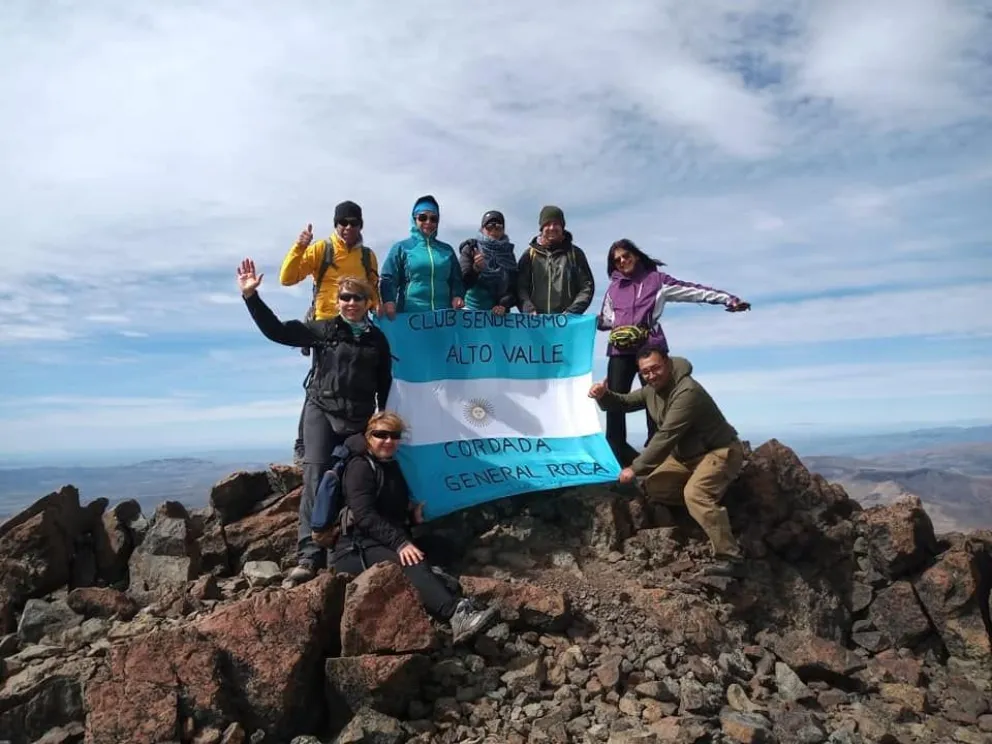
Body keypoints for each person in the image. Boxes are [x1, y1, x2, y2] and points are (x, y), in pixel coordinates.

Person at [236, 259, 392, 584]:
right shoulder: (323, 330)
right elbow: (277, 331)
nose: (351, 303)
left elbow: (384, 384)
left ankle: (348, 548)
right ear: (338, 302)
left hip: (358, 419)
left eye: (357, 298)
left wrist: (381, 422)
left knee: (358, 477)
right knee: (316, 476)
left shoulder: (377, 340)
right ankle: (309, 556)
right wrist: (252, 297)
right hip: (321, 411)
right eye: (345, 298)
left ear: (368, 303)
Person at [328, 411, 499, 643]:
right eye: (381, 435)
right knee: (412, 560)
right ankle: (454, 614)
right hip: (355, 547)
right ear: (369, 436)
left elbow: (390, 510)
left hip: (383, 538)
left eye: (395, 435)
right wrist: (400, 543)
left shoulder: (390, 466)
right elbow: (364, 516)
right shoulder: (360, 467)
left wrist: (412, 516)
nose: (389, 441)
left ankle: (434, 583)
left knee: (443, 547)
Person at [588, 347, 746, 579]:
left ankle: (729, 555)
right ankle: (702, 511)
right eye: (645, 372)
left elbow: (665, 437)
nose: (651, 375)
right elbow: (625, 402)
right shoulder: (652, 390)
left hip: (718, 451)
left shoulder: (687, 392)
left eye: (655, 368)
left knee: (696, 494)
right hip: (686, 457)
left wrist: (635, 468)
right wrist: (604, 395)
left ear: (668, 364)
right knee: (655, 488)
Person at [597, 239, 750, 466]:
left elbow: (694, 291)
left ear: (636, 256)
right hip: (619, 352)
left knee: (657, 400)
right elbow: (608, 319)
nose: (622, 261)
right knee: (614, 400)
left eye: (626, 256)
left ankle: (656, 455)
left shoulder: (656, 281)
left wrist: (728, 299)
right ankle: (617, 452)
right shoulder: (613, 289)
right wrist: (590, 323)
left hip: (649, 349)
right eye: (617, 260)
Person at [278, 201, 381, 465]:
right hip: (325, 327)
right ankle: (304, 444)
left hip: (358, 326)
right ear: (335, 224)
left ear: (361, 225)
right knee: (319, 384)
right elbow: (287, 278)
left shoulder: (367, 256)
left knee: (354, 381)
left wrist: (377, 306)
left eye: (353, 223)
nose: (348, 227)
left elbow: (372, 288)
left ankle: (347, 438)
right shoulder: (322, 249)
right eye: (342, 222)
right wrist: (300, 246)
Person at [379, 195, 464, 318]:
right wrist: (388, 301)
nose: (428, 222)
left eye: (433, 219)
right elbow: (388, 278)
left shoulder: (447, 250)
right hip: (411, 316)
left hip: (444, 317)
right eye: (423, 218)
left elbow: (457, 280)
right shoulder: (402, 248)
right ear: (414, 219)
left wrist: (458, 296)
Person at [517, 205, 595, 315]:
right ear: (542, 228)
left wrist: (572, 312)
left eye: (556, 224)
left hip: (567, 325)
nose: (552, 228)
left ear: (562, 227)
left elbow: (586, 287)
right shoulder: (529, 255)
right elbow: (520, 287)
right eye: (548, 224)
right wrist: (528, 309)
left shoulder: (575, 254)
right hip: (535, 326)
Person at [457, 210, 518, 314]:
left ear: (503, 230)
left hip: (498, 316)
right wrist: (476, 269)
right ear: (482, 229)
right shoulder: (471, 248)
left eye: (498, 227)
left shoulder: (509, 254)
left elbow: (514, 288)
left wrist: (503, 304)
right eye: (489, 227)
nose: (493, 231)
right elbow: (462, 282)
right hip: (470, 312)